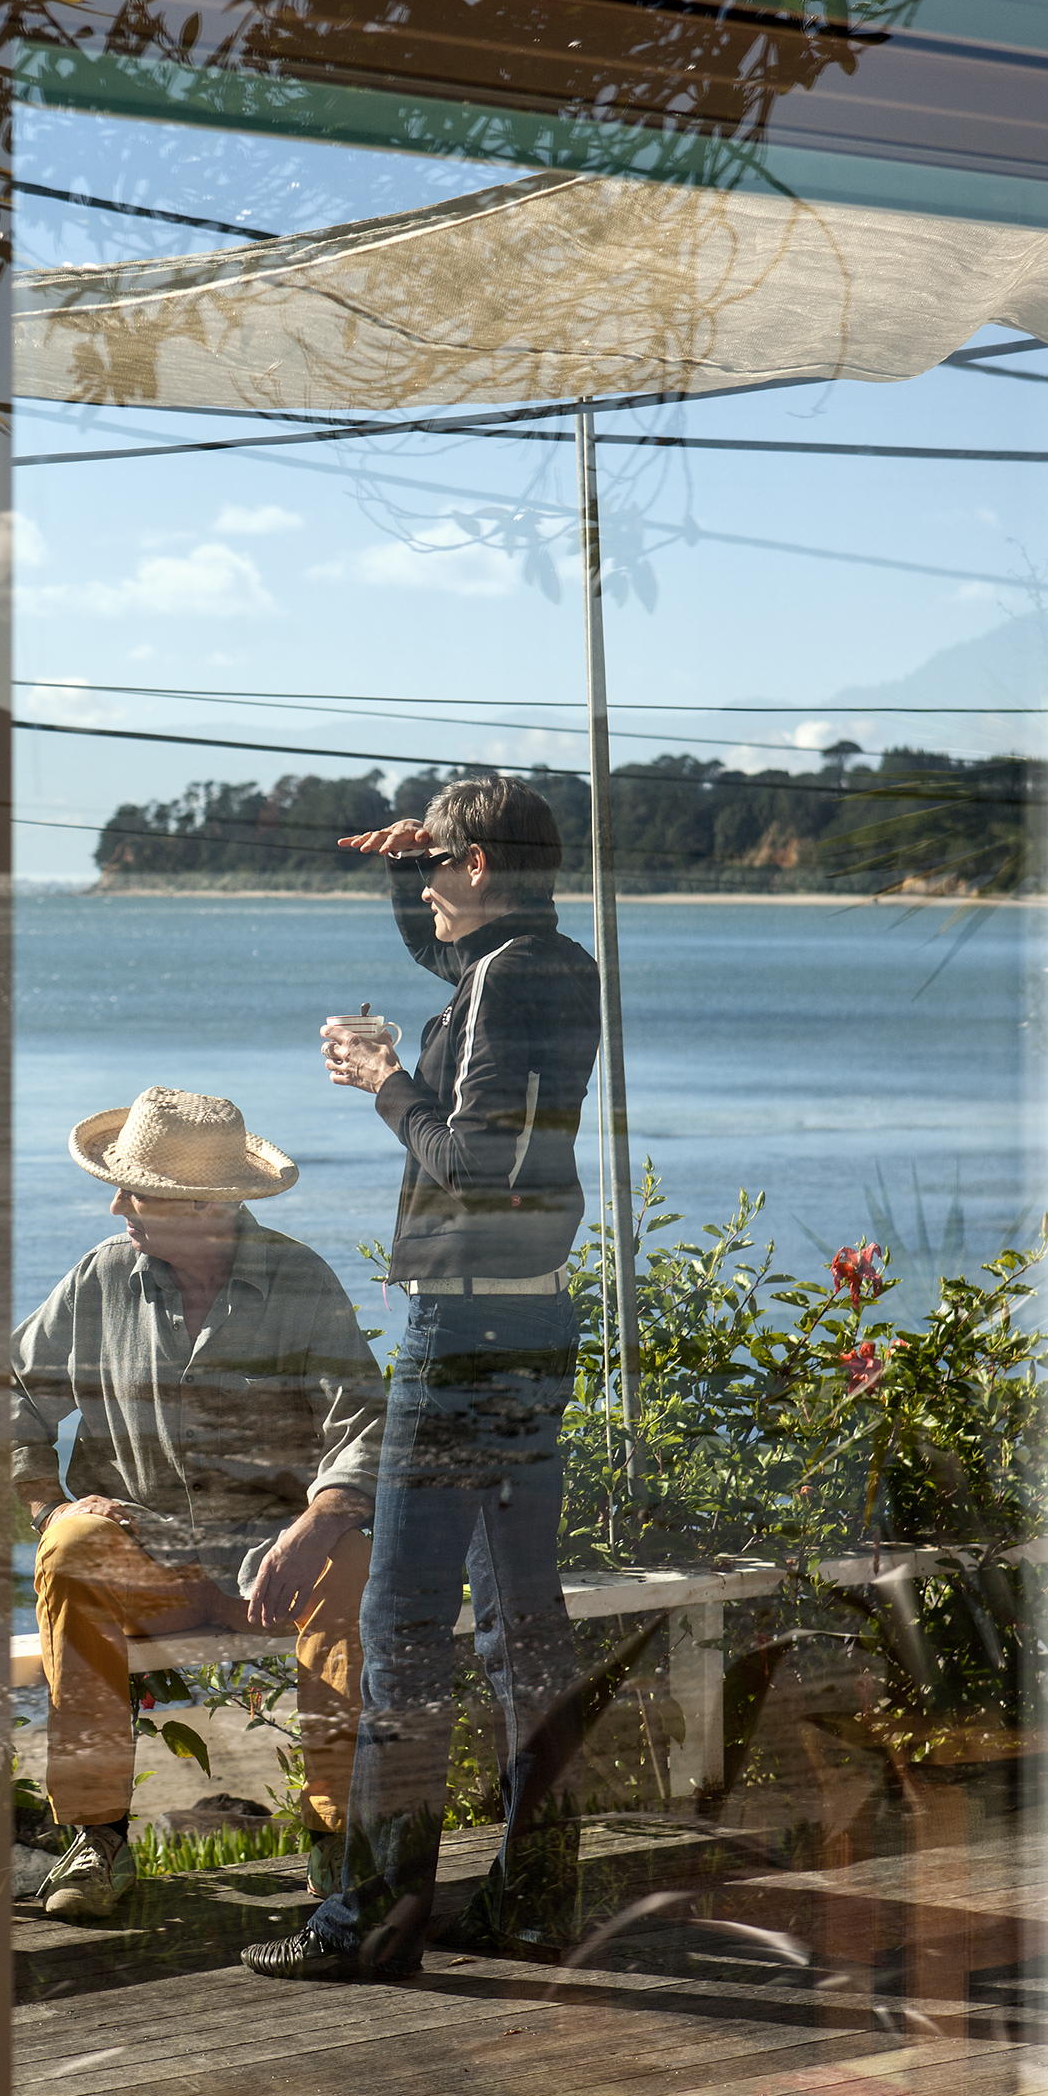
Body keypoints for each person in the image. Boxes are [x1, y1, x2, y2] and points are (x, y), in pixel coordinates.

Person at [242, 772, 602, 1982]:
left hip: (461, 1338)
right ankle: (538, 1899)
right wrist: (411, 864)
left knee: (402, 1622)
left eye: (441, 866)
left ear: (483, 869)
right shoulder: (548, 964)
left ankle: (369, 1920)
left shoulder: (505, 978)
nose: (430, 895)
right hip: (536, 1323)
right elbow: (454, 952)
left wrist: (381, 1080)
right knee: (518, 1625)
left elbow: (473, 1162)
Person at [13, 1085, 386, 1920]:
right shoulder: (100, 1278)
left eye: (134, 1191)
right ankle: (98, 1841)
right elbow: (10, 1392)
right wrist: (49, 1504)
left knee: (353, 1560)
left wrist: (318, 1522)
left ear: (202, 1205)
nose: (116, 1205)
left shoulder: (300, 1280)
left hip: (271, 1572)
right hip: (148, 1564)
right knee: (69, 1553)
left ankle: (338, 1841)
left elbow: (365, 1419)